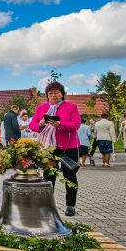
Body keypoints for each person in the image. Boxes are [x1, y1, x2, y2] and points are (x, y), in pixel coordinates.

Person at [30, 81, 81, 217]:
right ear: (47, 95)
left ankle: (70, 205)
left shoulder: (71, 107)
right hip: (49, 148)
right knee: (48, 176)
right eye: (50, 93)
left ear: (62, 94)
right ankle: (47, 205)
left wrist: (59, 124)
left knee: (69, 176)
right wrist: (40, 124)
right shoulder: (41, 108)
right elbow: (32, 125)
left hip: (68, 146)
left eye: (56, 92)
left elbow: (76, 124)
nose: (53, 95)